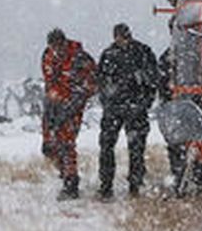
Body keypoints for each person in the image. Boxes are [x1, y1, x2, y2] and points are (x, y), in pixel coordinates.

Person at [95, 23, 159, 199]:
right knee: (107, 147)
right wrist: (107, 102)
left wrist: (144, 103)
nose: (120, 40)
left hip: (134, 108)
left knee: (136, 149)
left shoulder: (142, 52)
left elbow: (153, 80)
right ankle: (106, 186)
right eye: (118, 37)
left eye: (123, 36)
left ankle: (135, 186)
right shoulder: (109, 54)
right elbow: (100, 81)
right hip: (115, 108)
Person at [40, 28, 97, 200]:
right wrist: (52, 100)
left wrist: (74, 103)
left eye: (59, 46)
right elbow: (48, 80)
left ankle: (71, 182)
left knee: (66, 143)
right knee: (49, 146)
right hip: (52, 103)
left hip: (73, 104)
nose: (57, 50)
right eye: (54, 47)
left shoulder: (80, 57)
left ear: (65, 42)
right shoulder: (47, 56)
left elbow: (92, 83)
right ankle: (64, 172)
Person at [157, 44, 189, 194]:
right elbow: (160, 81)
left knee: (182, 145)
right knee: (176, 145)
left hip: (184, 105)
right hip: (175, 106)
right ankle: (179, 177)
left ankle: (182, 178)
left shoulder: (181, 53)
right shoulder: (168, 56)